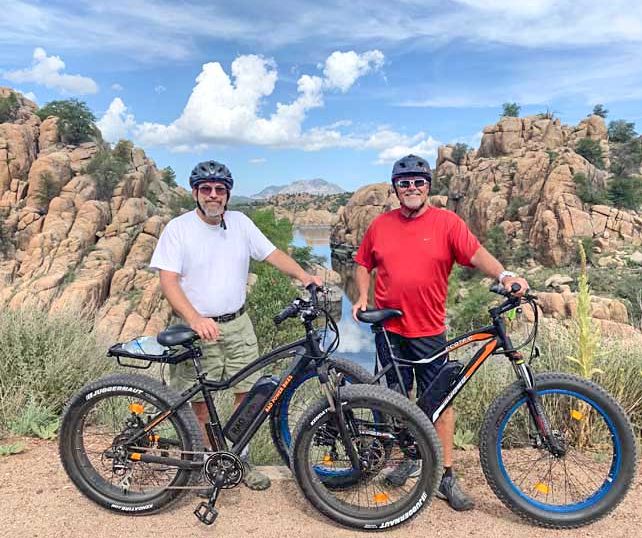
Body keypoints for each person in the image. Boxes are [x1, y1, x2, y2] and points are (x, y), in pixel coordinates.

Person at [352, 154, 529, 511]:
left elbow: (477, 255)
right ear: (396, 189)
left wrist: (505, 276)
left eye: (418, 182)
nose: (412, 188)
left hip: (429, 329)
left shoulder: (447, 223)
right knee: (398, 400)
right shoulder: (380, 225)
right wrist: (360, 296)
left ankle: (446, 475)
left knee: (442, 403)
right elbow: (362, 262)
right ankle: (409, 459)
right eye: (404, 183)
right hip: (389, 331)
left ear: (428, 187)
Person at [150, 160, 322, 492]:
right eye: (206, 190)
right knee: (200, 403)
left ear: (227, 194)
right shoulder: (178, 228)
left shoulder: (241, 223)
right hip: (197, 329)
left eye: (219, 190)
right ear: (195, 193)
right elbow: (168, 282)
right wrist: (195, 319)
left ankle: (238, 460)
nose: (213, 196)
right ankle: (205, 464)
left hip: (238, 325)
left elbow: (272, 254)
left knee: (250, 396)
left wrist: (304, 276)